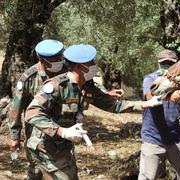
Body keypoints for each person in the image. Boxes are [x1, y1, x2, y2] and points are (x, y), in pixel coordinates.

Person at [24, 44, 162, 179]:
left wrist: (147, 103)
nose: (94, 66)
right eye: (91, 63)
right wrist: (62, 131)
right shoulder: (57, 85)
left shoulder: (87, 87)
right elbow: (32, 112)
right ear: (79, 67)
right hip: (45, 148)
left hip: (62, 147)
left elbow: (115, 105)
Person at [7, 39, 66, 180]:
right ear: (41, 59)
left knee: (63, 171)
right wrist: (15, 136)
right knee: (36, 171)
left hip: (61, 133)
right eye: (54, 59)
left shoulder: (67, 71)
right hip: (36, 136)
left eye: (60, 57)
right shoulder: (29, 77)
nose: (58, 61)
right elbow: (16, 107)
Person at [138, 49, 180, 180]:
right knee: (146, 177)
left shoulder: (179, 82)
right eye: (164, 63)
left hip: (177, 139)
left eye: (170, 63)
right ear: (158, 63)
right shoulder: (150, 79)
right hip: (153, 139)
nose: (166, 66)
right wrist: (169, 95)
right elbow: (149, 95)